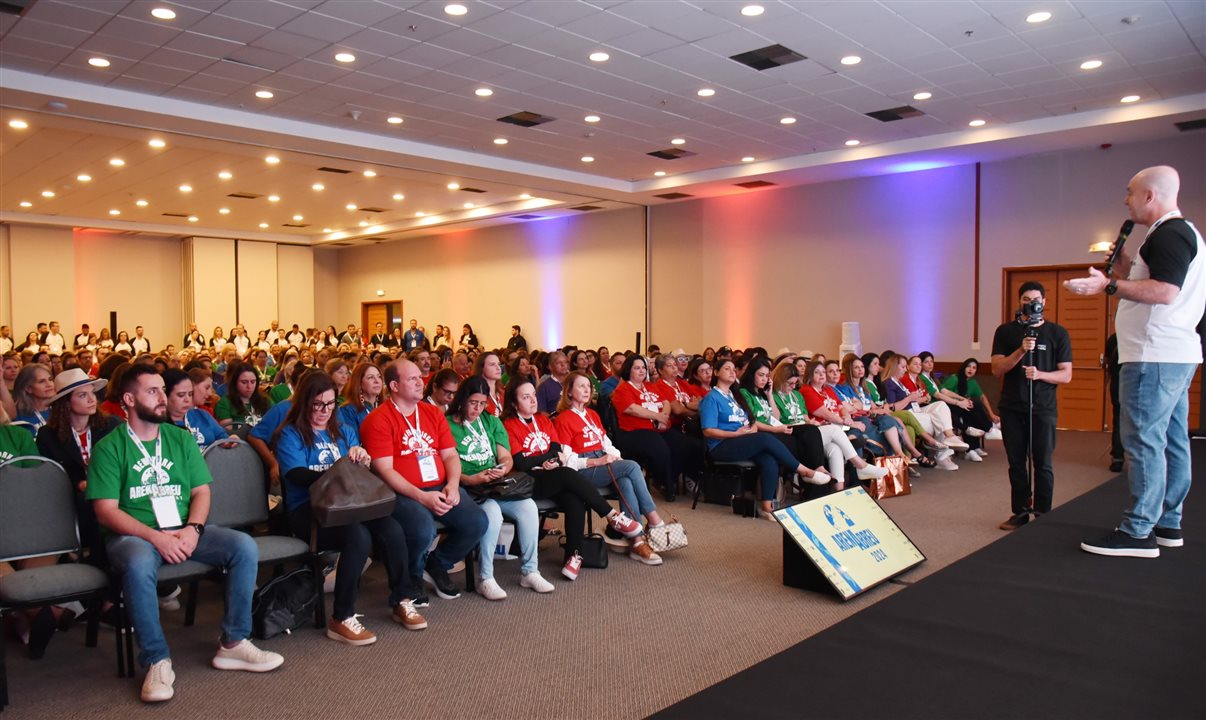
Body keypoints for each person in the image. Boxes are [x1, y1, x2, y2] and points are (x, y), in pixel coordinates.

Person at [87, 364, 284, 702]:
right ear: (129, 399)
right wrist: (156, 537)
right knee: (136, 565)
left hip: (183, 529)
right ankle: (157, 659)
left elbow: (201, 492)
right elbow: (105, 510)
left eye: (163, 390)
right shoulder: (110, 447)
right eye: (153, 391)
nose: (162, 398)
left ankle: (234, 642)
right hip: (135, 536)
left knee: (243, 547)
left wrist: (193, 530)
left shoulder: (180, 439)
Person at [1066, 165, 1205, 557]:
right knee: (1173, 440)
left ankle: (1138, 530)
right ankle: (1168, 522)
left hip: (1153, 355)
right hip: (1173, 353)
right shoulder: (1181, 234)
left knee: (1143, 441)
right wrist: (1126, 268)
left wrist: (1108, 284)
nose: (1125, 199)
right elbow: (1155, 285)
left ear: (1149, 196)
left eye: (1130, 192)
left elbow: (1164, 292)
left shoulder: (1169, 235)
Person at [275, 371, 426, 643]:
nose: (324, 411)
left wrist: (360, 458)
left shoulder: (343, 430)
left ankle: (402, 598)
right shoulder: (291, 433)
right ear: (304, 402)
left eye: (330, 404)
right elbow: (297, 475)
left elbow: (359, 471)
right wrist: (341, 469)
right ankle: (341, 616)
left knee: (392, 529)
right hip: (311, 511)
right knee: (358, 536)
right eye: (317, 404)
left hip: (351, 504)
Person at [360, 360, 488, 601]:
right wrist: (422, 497)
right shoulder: (378, 419)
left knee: (477, 521)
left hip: (439, 486)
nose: (421, 382)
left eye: (420, 377)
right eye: (413, 379)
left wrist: (452, 485)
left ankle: (437, 563)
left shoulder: (432, 414)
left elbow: (450, 454)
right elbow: (385, 470)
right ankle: (412, 576)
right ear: (395, 385)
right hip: (400, 493)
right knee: (422, 530)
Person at [501, 376, 642, 580]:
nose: (533, 400)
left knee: (574, 498)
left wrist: (550, 459)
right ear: (514, 403)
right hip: (527, 481)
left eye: (533, 395)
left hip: (553, 475)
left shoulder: (542, 419)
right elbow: (520, 463)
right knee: (568, 474)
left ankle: (573, 556)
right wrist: (546, 457)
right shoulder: (509, 425)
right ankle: (612, 515)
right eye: (525, 397)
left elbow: (557, 451)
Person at [444, 377, 554, 600]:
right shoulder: (447, 424)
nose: (478, 409)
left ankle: (530, 571)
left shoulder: (491, 422)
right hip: (469, 486)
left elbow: (505, 456)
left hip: (495, 483)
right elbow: (446, 463)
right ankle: (485, 578)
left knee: (529, 508)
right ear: (462, 400)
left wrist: (501, 469)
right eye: (473, 403)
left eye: (482, 403)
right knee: (492, 514)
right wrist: (470, 478)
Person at [554, 372, 666, 565]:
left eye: (589, 386)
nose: (587, 390)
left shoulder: (592, 414)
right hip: (583, 470)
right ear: (569, 392)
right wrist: (596, 462)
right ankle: (655, 522)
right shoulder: (563, 419)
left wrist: (616, 458)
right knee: (632, 467)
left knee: (625, 479)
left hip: (604, 460)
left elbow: (607, 443)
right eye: (581, 386)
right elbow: (567, 460)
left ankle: (637, 542)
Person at [700, 359, 831, 521]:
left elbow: (751, 421)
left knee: (769, 458)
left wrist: (751, 428)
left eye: (734, 369)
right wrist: (738, 434)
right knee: (765, 439)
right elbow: (708, 431)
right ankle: (804, 470)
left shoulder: (735, 396)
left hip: (741, 440)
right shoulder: (711, 398)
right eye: (727, 369)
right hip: (720, 446)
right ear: (716, 372)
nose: (733, 372)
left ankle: (766, 507)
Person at [990, 281, 1073, 531]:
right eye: (1026, 299)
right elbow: (996, 369)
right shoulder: (1005, 332)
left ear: (1044, 301)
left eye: (1035, 299)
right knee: (1016, 461)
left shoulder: (1058, 333)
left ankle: (1043, 511)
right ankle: (1020, 511)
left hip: (1043, 407)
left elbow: (1066, 375)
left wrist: (1040, 375)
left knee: (1042, 461)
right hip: (1012, 406)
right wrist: (1020, 351)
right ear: (1020, 302)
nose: (1031, 303)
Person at [939, 358, 999, 460]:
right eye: (968, 366)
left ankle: (972, 448)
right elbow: (942, 392)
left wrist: (991, 414)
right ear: (964, 367)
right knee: (972, 405)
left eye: (974, 368)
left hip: (964, 408)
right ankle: (988, 428)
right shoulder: (955, 378)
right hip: (950, 408)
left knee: (972, 408)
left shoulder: (973, 382)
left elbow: (983, 397)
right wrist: (961, 400)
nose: (970, 369)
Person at [161, 369, 230, 450]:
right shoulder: (158, 426)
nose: (187, 400)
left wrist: (231, 441)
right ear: (165, 396)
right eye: (181, 395)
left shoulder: (202, 415)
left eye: (190, 394)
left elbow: (224, 439)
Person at [213, 362, 268, 430]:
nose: (249, 386)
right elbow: (227, 429)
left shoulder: (265, 400)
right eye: (244, 382)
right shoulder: (224, 403)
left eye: (253, 382)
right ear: (234, 382)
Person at [338, 362, 384, 434]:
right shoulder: (348, 410)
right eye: (370, 377)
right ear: (359, 383)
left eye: (379, 376)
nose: (377, 381)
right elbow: (352, 442)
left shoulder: (385, 407)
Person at [11, 363, 55, 435]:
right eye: (41, 381)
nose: (49, 384)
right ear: (28, 388)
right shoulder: (17, 415)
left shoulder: (60, 410)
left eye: (50, 379)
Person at [1104, 334, 1124, 473]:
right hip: (1133, 384)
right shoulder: (1140, 334)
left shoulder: (1113, 339)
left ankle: (1117, 458)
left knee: (1118, 420)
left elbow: (1107, 363)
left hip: (1117, 384)